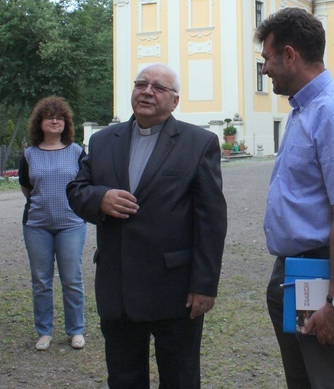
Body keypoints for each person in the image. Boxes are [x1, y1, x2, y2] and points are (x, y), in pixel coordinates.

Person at [67, 63, 228, 389]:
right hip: (119, 286)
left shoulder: (199, 143)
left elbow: (211, 220)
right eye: (141, 84)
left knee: (180, 378)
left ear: (175, 101)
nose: (147, 91)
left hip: (175, 290)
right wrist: (100, 199)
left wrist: (205, 285)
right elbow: (76, 191)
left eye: (158, 87)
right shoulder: (102, 141)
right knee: (124, 379)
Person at [257, 8, 334, 388]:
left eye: (267, 58)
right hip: (296, 270)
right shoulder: (304, 109)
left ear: (290, 55)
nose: (265, 69)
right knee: (304, 381)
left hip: (325, 271)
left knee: (330, 381)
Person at [18, 96, 87, 351]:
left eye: (59, 117)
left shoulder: (77, 152)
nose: (54, 120)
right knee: (41, 281)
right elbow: (27, 187)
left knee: (72, 279)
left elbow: (84, 185)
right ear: (40, 123)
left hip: (71, 224)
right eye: (49, 116)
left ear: (66, 122)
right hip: (37, 225)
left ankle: (76, 330)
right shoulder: (29, 154)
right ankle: (44, 331)